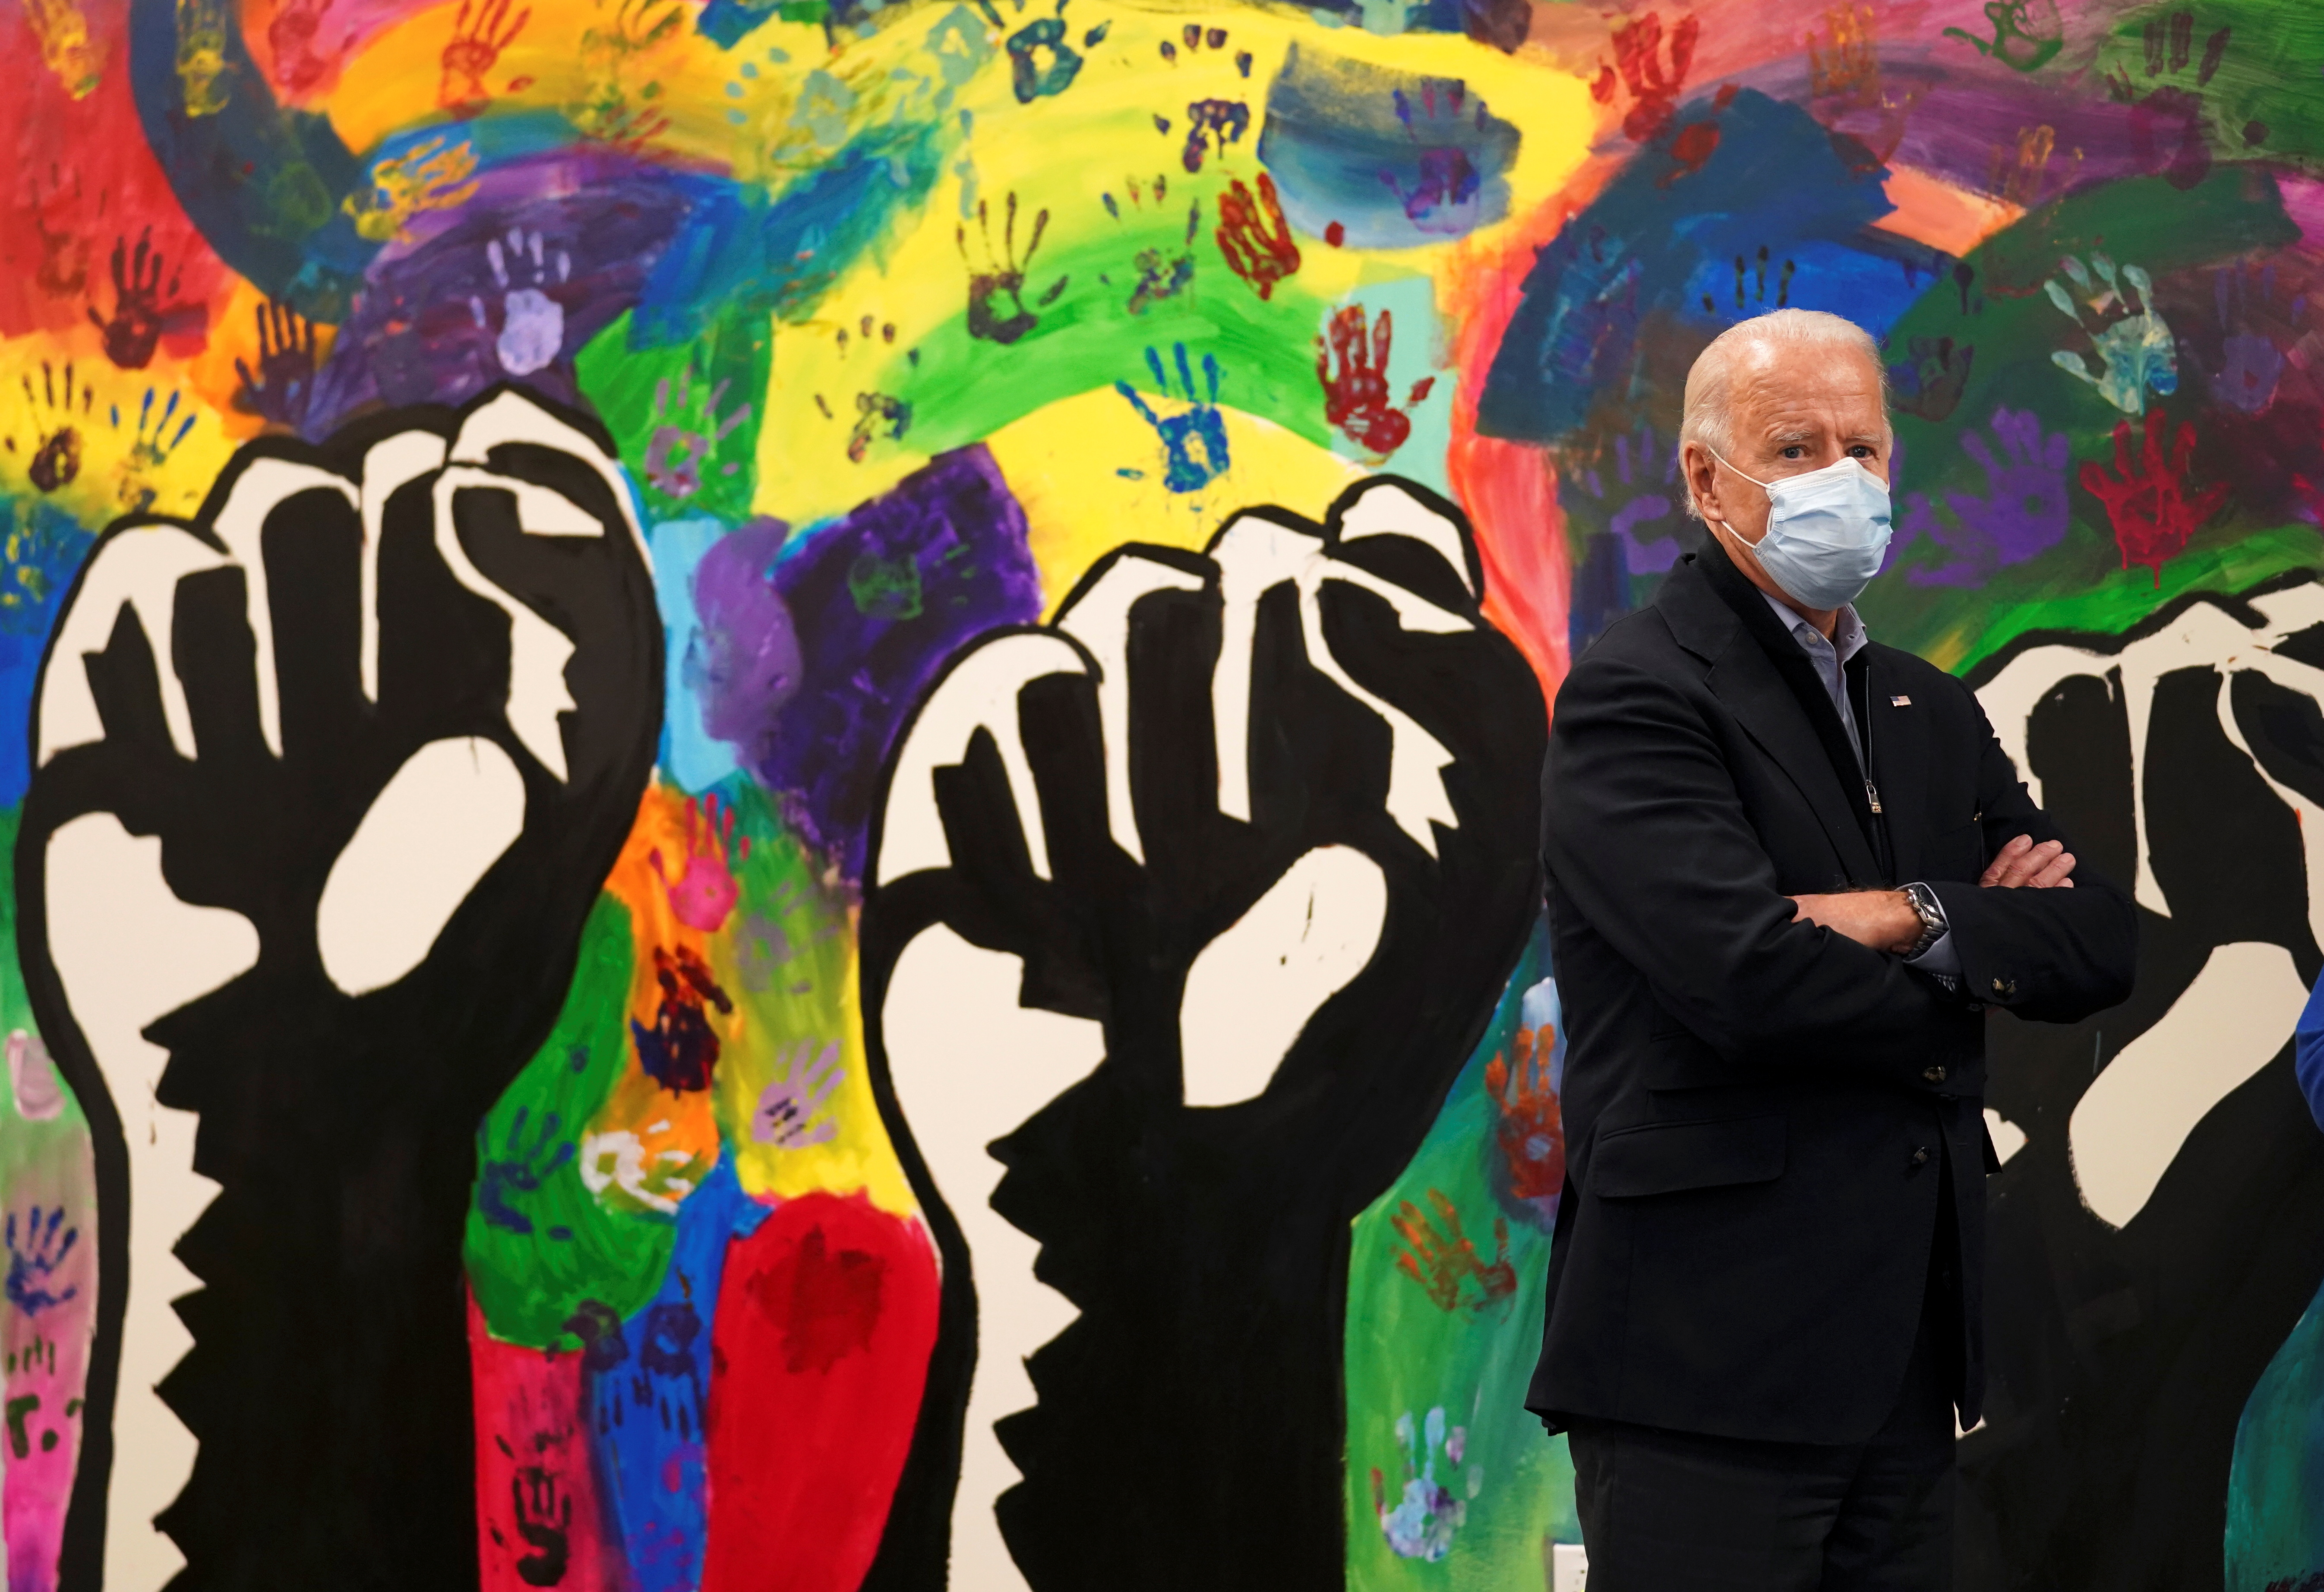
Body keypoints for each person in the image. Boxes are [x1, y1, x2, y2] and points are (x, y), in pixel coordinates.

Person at [1524, 308, 2137, 1590]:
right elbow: (1744, 978)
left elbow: (2091, 943)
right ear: (1708, 479)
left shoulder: (1927, 704)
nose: (1841, 482)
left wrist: (1899, 915)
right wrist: (1974, 959)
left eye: (1865, 447)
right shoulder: (1639, 691)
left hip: (1907, 1362)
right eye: (1794, 448)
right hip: (1705, 1364)